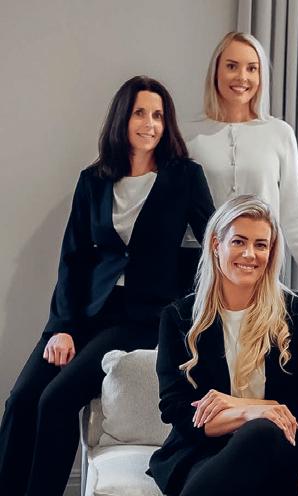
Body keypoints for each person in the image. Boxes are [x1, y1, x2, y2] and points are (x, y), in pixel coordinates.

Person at [0, 75, 215, 496]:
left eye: (158, 115)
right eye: (140, 113)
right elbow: (73, 259)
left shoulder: (184, 177)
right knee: (21, 400)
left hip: (139, 318)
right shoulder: (94, 179)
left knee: (56, 400)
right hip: (83, 313)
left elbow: (214, 243)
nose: (149, 124)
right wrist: (62, 327)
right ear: (122, 118)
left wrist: (191, 308)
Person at [149, 195, 298, 496]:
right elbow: (178, 411)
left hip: (278, 449)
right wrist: (250, 412)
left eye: (261, 245)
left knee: (261, 432)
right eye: (238, 242)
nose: (250, 254)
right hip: (202, 450)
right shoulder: (179, 318)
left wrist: (239, 406)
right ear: (216, 245)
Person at [183, 31, 298, 302]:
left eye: (252, 68)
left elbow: (294, 212)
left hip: (259, 267)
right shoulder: (188, 136)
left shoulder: (279, 133)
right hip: (200, 273)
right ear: (216, 71)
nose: (242, 77)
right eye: (232, 66)